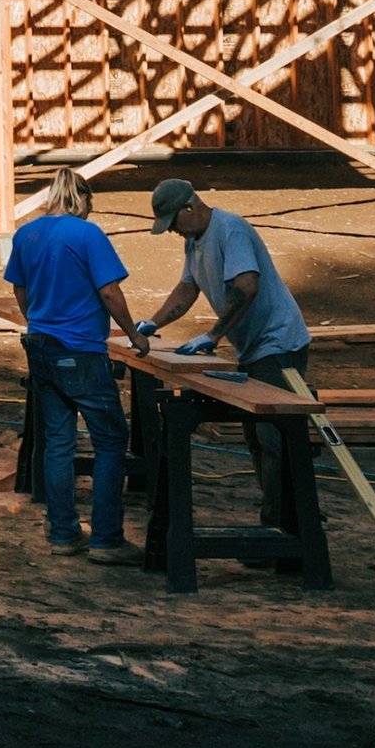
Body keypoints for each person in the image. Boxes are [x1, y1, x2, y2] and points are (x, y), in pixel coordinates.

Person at [128, 175, 313, 506]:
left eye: (174, 223)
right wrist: (153, 322)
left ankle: (287, 522)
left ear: (191, 206)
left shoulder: (231, 229)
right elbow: (187, 289)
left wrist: (214, 335)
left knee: (272, 434)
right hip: (253, 347)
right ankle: (284, 516)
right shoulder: (194, 241)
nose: (173, 231)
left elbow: (246, 287)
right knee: (255, 435)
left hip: (279, 341)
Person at [2, 168, 139, 559]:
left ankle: (63, 532)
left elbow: (19, 287)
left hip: (41, 346)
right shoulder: (87, 234)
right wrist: (133, 333)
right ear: (82, 199)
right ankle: (107, 538)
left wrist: (37, 320)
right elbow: (110, 291)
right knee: (111, 440)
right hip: (79, 349)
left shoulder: (27, 234)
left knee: (58, 442)